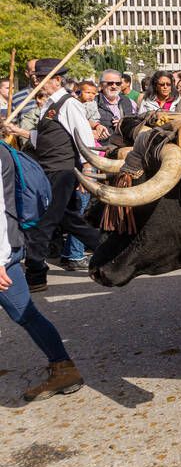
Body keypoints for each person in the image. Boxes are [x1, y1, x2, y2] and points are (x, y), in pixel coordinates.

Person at [1, 59, 102, 287]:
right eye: (36, 78)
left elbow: (85, 140)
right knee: (69, 220)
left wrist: (87, 171)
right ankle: (110, 250)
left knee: (44, 222)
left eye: (41, 78)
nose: (36, 82)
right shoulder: (48, 105)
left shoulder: (70, 104)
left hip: (63, 172)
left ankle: (36, 274)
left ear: (57, 80)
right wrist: (17, 130)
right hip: (47, 170)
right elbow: (44, 139)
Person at [0, 152, 85, 401]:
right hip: (9, 250)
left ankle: (64, 369)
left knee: (25, 314)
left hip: (4, 253)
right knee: (25, 314)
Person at [96, 69, 136, 136]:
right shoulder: (93, 103)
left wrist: (124, 124)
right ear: (101, 85)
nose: (114, 86)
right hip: (103, 144)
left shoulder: (127, 101)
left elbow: (134, 121)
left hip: (124, 142)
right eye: (110, 83)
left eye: (118, 83)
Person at [9, 59, 39, 124]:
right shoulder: (16, 98)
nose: (38, 74)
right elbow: (12, 125)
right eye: (34, 72)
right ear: (27, 73)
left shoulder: (53, 94)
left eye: (40, 71)